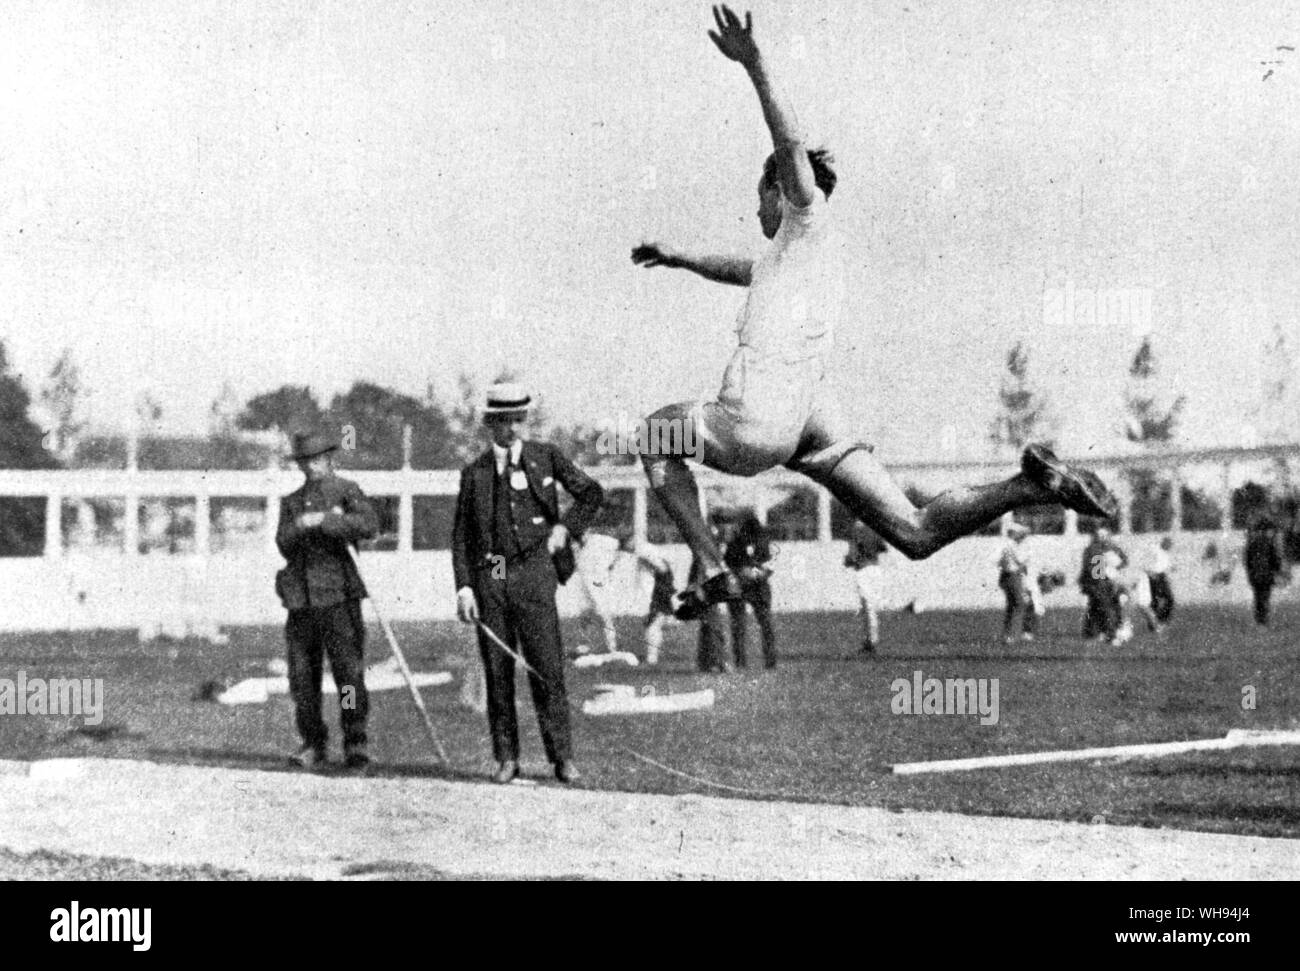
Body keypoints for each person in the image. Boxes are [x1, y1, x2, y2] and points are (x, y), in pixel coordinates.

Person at [632, 6, 1117, 621]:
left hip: (761, 415)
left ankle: (710, 564)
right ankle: (1029, 486)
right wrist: (679, 258)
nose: (755, 213)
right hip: (812, 414)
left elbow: (787, 148)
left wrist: (756, 68)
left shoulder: (804, 217)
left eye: (759, 198)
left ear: (779, 190)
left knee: (653, 434)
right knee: (914, 533)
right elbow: (741, 268)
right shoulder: (795, 258)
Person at [452, 382, 604, 784]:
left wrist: (565, 529)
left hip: (536, 576)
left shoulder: (546, 458)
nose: (514, 429)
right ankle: (506, 758)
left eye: (520, 420)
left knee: (547, 670)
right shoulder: (475, 473)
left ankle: (562, 758)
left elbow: (592, 493)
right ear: (491, 425)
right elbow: (462, 538)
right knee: (497, 674)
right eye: (505, 422)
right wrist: (465, 588)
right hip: (493, 577)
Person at [274, 429, 380, 770]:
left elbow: (368, 524)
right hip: (301, 601)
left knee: (347, 676)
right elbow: (283, 543)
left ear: (330, 459)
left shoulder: (346, 490)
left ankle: (355, 744)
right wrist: (302, 526)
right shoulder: (291, 501)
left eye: (317, 460)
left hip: (338, 598)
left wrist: (326, 520)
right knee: (303, 679)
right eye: (305, 461)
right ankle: (313, 743)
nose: (311, 467)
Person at [723, 513, 777, 669]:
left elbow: (728, 562)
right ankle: (770, 662)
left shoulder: (736, 541)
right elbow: (771, 566)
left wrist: (744, 571)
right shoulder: (764, 542)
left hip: (743, 586)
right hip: (757, 586)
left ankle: (741, 662)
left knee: (739, 625)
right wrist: (756, 573)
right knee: (765, 624)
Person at [621, 535, 677, 664]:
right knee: (653, 624)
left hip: (661, 591)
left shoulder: (643, 551)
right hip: (661, 590)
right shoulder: (645, 550)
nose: (627, 551)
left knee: (653, 625)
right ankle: (652, 656)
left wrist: (662, 588)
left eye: (627, 548)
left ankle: (652, 658)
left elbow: (663, 568)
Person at [573, 530, 622, 655]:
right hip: (585, 577)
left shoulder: (602, 539)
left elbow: (618, 546)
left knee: (604, 613)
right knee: (585, 611)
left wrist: (611, 564)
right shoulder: (578, 544)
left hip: (597, 578)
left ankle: (612, 646)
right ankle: (585, 645)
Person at [844, 521, 889, 655]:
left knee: (868, 610)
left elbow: (852, 557)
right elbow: (883, 548)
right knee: (872, 609)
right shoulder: (874, 528)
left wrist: (847, 561)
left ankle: (871, 644)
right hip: (876, 569)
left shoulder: (856, 531)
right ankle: (871, 642)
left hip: (863, 571)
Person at [1079, 527, 1125, 642]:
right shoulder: (1095, 550)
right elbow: (1096, 573)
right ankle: (1110, 635)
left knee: (1094, 607)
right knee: (1106, 608)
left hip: (1096, 583)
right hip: (1097, 584)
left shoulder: (1102, 549)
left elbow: (1124, 560)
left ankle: (1089, 632)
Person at [998, 523, 1039, 644]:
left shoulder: (1006, 545)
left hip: (1007, 576)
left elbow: (1000, 562)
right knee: (1019, 604)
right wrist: (1028, 556)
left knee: (1012, 606)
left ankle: (1008, 634)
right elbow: (1020, 560)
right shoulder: (1011, 545)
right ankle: (1012, 635)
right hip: (1013, 576)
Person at [1244, 516, 1285, 626]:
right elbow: (1275, 560)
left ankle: (1259, 619)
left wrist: (1250, 574)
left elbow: (1247, 561)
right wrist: (1278, 570)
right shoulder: (1269, 543)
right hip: (1266, 575)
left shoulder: (1251, 543)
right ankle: (1263, 619)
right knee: (1265, 596)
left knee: (1258, 597)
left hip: (1255, 575)